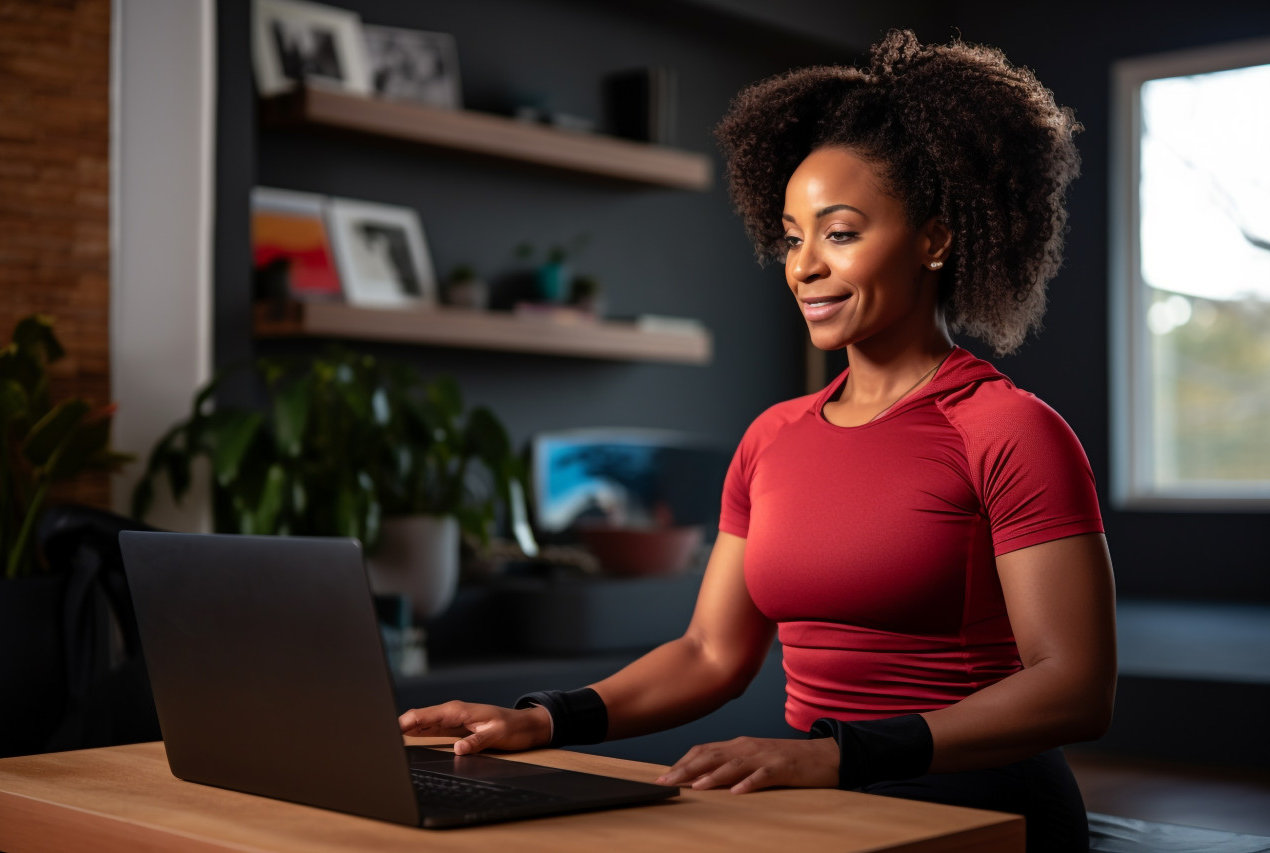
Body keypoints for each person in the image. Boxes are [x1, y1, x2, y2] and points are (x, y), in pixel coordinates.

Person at [400, 30, 1115, 852]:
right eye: (791, 236)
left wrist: (836, 755)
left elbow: (1075, 687)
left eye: (839, 232)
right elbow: (710, 652)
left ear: (935, 239)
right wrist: (541, 718)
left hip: (979, 813)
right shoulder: (772, 437)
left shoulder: (1010, 429)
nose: (803, 265)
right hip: (826, 807)